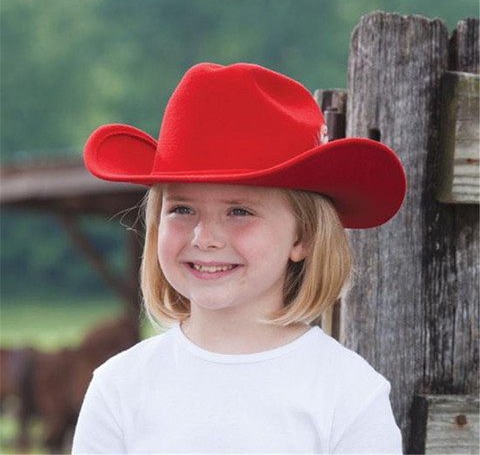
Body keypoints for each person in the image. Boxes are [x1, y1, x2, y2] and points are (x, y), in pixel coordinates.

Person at [72, 62, 406, 454]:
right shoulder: (120, 387)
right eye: (181, 209)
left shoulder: (347, 393)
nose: (205, 237)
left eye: (239, 211)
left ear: (304, 236)